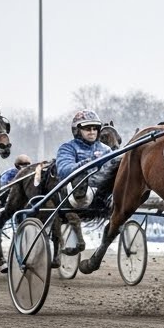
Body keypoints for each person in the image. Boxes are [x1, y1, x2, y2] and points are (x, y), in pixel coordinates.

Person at [54, 109, 116, 255]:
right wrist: (83, 165)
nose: (92, 132)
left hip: (102, 191)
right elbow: (63, 170)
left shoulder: (106, 149)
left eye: (95, 128)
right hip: (76, 194)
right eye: (87, 128)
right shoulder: (68, 148)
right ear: (77, 130)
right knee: (80, 180)